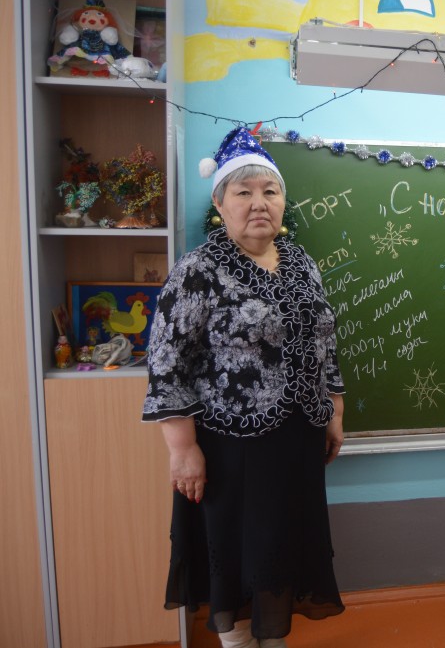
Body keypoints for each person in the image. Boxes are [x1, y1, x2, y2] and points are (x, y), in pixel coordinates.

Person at [142, 126, 346, 648]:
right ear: (220, 203)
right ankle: (237, 643)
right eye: (244, 192)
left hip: (297, 441)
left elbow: (326, 342)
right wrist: (181, 449)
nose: (259, 203)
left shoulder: (301, 263)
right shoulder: (198, 270)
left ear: (282, 201)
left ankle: (273, 640)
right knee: (235, 554)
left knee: (281, 550)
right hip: (231, 447)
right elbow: (166, 362)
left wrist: (334, 412)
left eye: (270, 191)